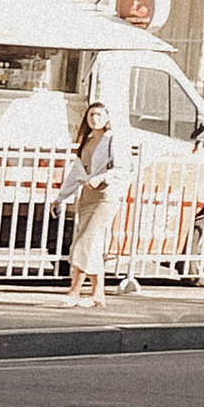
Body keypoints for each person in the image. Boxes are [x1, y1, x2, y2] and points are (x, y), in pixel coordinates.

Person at [61, 98, 127, 306]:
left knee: (85, 242)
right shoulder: (87, 140)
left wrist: (101, 178)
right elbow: (76, 172)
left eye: (100, 115)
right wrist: (60, 197)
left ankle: (74, 292)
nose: (95, 119)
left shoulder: (113, 139)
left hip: (105, 196)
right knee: (91, 244)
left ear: (107, 118)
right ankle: (98, 293)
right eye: (92, 115)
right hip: (88, 197)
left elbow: (123, 168)